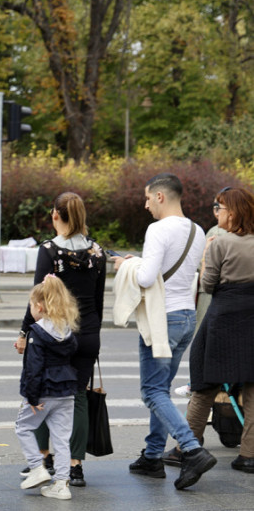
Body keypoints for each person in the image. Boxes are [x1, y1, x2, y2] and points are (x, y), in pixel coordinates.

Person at [113, 173, 217, 490]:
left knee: (152, 392)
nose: (146, 205)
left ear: (160, 196)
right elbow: (171, 269)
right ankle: (153, 456)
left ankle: (193, 449)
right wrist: (142, 261)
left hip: (163, 318)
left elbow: (145, 279)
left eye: (147, 198)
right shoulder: (196, 230)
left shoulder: (158, 229)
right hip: (187, 317)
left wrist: (125, 266)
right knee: (163, 388)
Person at [14, 192, 106, 487]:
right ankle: (75, 467)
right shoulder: (97, 252)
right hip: (88, 331)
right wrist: (93, 332)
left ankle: (40, 460)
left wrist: (24, 333)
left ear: (56, 214)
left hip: (56, 332)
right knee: (76, 396)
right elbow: (100, 299)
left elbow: (38, 301)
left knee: (43, 392)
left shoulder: (50, 251)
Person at [185, 187, 254, 474]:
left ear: (234, 212)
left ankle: (187, 447)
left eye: (220, 207)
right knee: (253, 388)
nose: (218, 212)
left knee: (203, 382)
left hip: (223, 318)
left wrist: (204, 263)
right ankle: (248, 454)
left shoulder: (219, 244)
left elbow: (208, 285)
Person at [15, 275, 80, 501]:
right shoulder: (67, 329)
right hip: (66, 391)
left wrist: (32, 398)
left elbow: (33, 368)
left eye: (32, 305)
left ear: (39, 306)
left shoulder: (37, 333)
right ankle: (61, 485)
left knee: (23, 427)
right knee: (61, 439)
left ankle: (36, 468)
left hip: (43, 391)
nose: (31, 310)